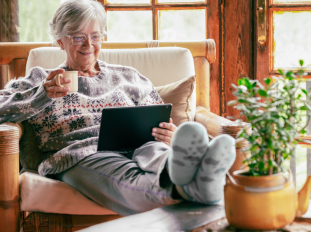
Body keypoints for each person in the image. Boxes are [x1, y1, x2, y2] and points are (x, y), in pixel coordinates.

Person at [0, 0, 236, 216]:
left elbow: (158, 114)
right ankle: (188, 188)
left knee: (157, 153)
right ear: (60, 41)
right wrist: (43, 94)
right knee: (124, 175)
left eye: (95, 36)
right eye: (78, 37)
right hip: (81, 154)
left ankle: (189, 168)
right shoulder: (42, 79)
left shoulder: (129, 76)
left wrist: (169, 133)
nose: (89, 45)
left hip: (141, 145)